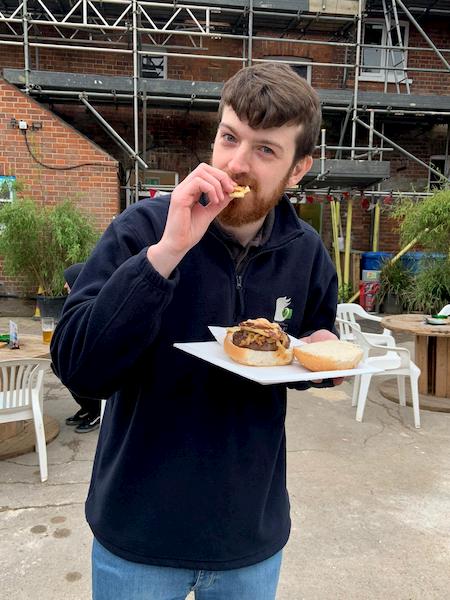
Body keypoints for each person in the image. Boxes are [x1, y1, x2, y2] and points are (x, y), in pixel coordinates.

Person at [51, 63, 342, 600]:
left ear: (298, 170)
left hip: (248, 538)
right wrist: (166, 254)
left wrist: (322, 365)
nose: (236, 163)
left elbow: (302, 358)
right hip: (136, 535)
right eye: (229, 138)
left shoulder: (306, 255)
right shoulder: (140, 229)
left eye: (265, 150)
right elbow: (78, 367)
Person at [62, 262, 102, 433]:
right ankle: (87, 406)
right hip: (83, 356)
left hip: (95, 361)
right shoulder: (73, 304)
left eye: (68, 281)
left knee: (73, 370)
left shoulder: (92, 307)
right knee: (60, 367)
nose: (65, 286)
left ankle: (96, 411)